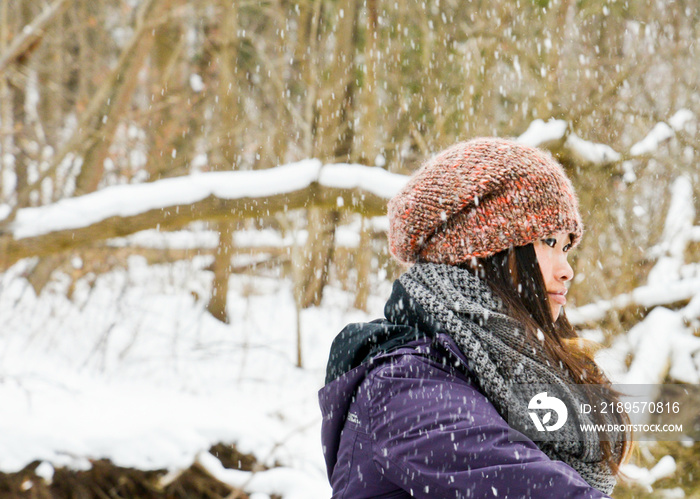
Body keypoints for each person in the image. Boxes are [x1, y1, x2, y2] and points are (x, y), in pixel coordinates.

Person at [318, 137, 631, 498]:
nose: (567, 270)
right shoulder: (404, 384)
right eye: (547, 241)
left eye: (566, 247)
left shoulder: (501, 367)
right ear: (484, 252)